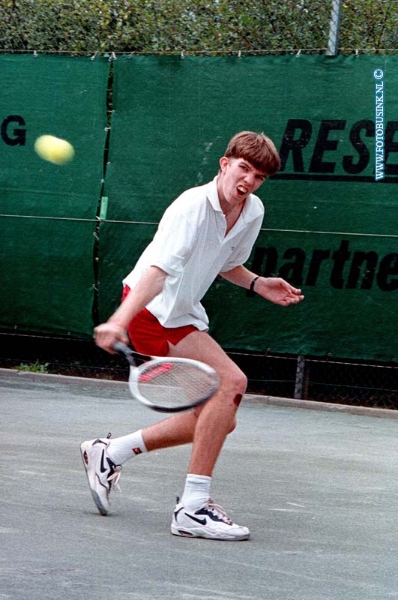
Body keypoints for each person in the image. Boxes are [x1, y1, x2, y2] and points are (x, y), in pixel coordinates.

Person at [81, 131, 304, 541]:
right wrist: (118, 320)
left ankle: (110, 453)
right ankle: (192, 507)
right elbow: (156, 272)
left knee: (220, 419)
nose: (249, 181)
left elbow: (228, 264)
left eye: (258, 176)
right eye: (243, 169)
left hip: (181, 313)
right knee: (232, 384)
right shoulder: (190, 208)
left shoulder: (252, 211)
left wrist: (258, 283)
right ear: (224, 164)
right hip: (149, 310)